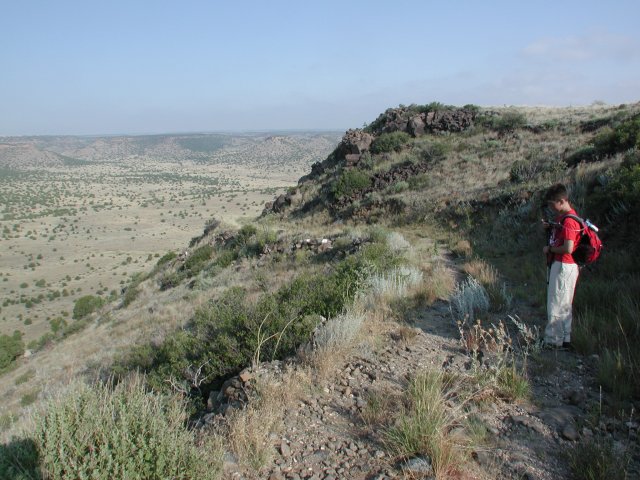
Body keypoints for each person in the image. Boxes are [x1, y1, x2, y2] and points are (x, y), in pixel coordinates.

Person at [542, 183, 581, 350]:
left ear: (562, 200)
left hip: (564, 265)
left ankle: (553, 341)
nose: (551, 207)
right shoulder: (563, 219)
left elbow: (568, 248)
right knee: (564, 303)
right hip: (565, 266)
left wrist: (549, 249)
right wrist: (550, 227)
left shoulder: (569, 221)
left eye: (553, 204)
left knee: (556, 303)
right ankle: (565, 339)